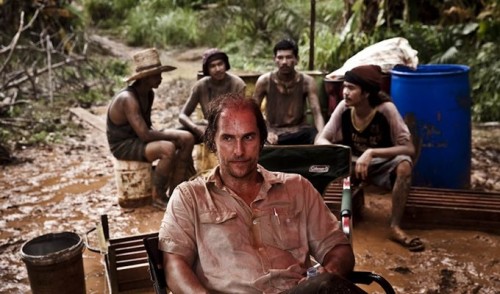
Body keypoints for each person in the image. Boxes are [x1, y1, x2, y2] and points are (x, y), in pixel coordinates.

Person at [158, 93, 365, 293]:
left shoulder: (298, 188)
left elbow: (340, 250)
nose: (239, 151)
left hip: (298, 292)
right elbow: (174, 266)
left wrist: (327, 271)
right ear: (213, 142)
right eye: (228, 138)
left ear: (262, 140)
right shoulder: (189, 197)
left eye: (248, 137)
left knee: (327, 284)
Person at [315, 64, 424, 252]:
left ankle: (394, 226)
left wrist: (371, 153)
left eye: (351, 88)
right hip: (353, 163)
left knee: (405, 165)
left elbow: (409, 148)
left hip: (382, 163)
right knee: (322, 163)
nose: (345, 93)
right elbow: (321, 139)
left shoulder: (386, 110)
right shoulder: (343, 108)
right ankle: (333, 221)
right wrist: (344, 154)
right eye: (344, 87)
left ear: (366, 93)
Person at [106, 48, 195, 208]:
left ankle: (177, 189)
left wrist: (171, 135)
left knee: (187, 138)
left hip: (139, 138)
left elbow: (147, 126)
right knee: (168, 148)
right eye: (156, 75)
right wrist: (168, 137)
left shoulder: (148, 94)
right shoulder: (128, 98)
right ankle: (158, 195)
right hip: (124, 144)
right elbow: (145, 135)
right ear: (145, 78)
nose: (160, 78)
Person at [253, 38, 324, 145]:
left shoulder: (307, 81)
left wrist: (322, 135)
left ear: (296, 59)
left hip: (299, 132)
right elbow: (253, 111)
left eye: (289, 57)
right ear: (274, 59)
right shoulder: (264, 81)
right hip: (273, 132)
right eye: (280, 58)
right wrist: (265, 131)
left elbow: (316, 112)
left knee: (313, 135)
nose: (284, 62)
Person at [179, 48, 246, 143]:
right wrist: (196, 128)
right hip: (207, 129)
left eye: (220, 64)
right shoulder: (200, 86)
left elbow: (239, 116)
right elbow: (182, 115)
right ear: (207, 70)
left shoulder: (238, 84)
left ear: (225, 65)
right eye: (212, 66)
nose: (218, 69)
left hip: (231, 128)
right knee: (179, 136)